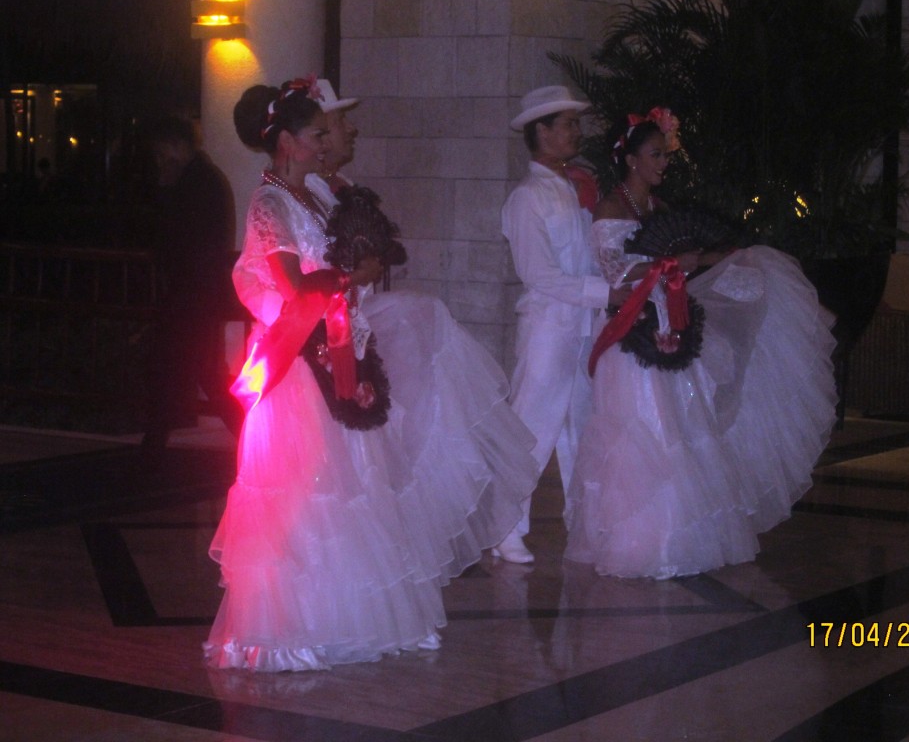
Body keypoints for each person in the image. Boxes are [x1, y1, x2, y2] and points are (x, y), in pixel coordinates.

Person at [204, 78, 534, 671]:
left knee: (361, 482)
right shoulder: (269, 204)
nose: (324, 141)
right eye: (314, 134)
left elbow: (339, 266)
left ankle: (368, 615)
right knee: (308, 495)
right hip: (296, 361)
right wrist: (352, 277)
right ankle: (301, 624)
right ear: (286, 142)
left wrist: (362, 276)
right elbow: (293, 286)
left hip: (342, 348)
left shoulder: (318, 198)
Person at [563, 111, 838, 580]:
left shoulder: (659, 208)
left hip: (668, 327)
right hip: (629, 335)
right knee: (641, 434)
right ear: (630, 159)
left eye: (665, 156)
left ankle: (679, 538)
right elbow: (617, 275)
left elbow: (680, 261)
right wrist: (670, 262)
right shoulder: (612, 208)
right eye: (655, 155)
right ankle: (640, 542)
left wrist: (718, 257)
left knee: (681, 429)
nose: (662, 164)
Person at [496, 86, 627, 564]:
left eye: (576, 123)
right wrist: (602, 292)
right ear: (542, 132)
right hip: (550, 324)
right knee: (534, 424)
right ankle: (506, 526)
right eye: (566, 123)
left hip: (584, 322)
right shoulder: (527, 197)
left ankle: (582, 522)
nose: (575, 131)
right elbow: (539, 273)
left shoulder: (574, 189)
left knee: (582, 423)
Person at [141, 115, 243, 451]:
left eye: (161, 151)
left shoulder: (196, 183)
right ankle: (155, 442)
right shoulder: (203, 179)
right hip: (196, 291)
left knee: (185, 368)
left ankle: (154, 444)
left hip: (192, 291)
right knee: (194, 369)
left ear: (177, 146)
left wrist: (164, 191)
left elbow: (176, 235)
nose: (159, 159)